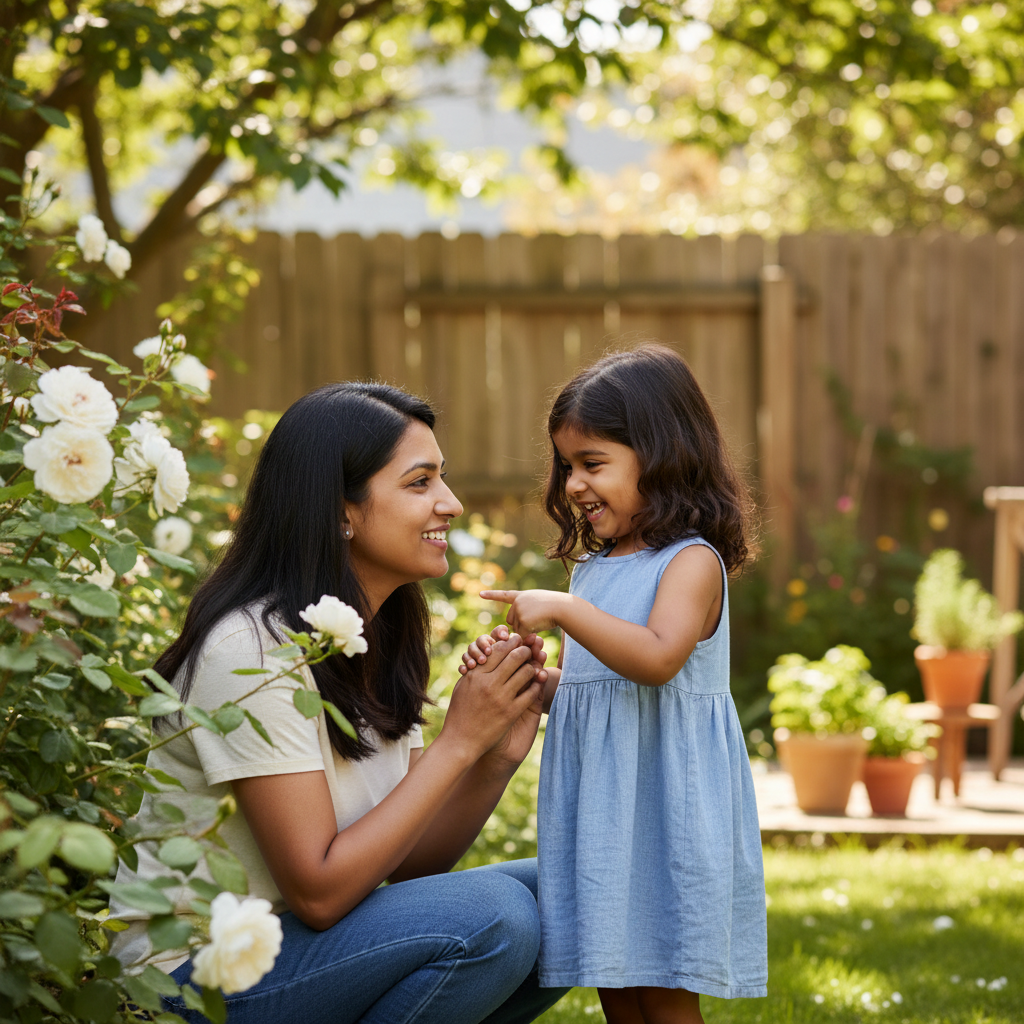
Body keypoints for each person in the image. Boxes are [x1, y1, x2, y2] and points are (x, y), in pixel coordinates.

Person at [109, 381, 569, 1024]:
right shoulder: (251, 651)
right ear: (339, 511)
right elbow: (320, 893)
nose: (452, 503)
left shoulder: (375, 636)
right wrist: (459, 742)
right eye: (420, 482)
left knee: (570, 894)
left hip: (301, 955)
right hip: (188, 980)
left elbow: (413, 865)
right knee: (498, 914)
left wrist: (495, 752)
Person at [462, 346, 768, 1024]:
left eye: (592, 464)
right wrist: (530, 680)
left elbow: (656, 660)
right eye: (566, 466)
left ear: (660, 457)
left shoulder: (690, 563)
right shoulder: (594, 570)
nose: (574, 484)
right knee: (617, 986)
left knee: (663, 988)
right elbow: (594, 689)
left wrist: (566, 610)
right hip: (605, 811)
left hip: (665, 810)